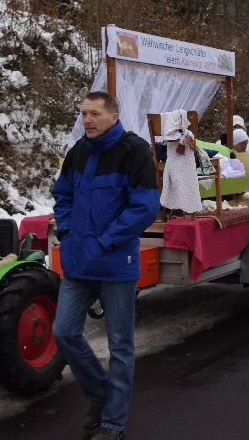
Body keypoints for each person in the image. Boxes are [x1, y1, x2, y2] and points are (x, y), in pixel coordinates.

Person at [52, 92, 160, 439]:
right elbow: (63, 195)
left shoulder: (133, 151)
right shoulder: (78, 152)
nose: (88, 120)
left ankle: (114, 421)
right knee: (64, 332)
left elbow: (145, 207)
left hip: (115, 265)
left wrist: (104, 241)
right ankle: (101, 396)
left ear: (114, 117)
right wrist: (66, 232)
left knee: (120, 346)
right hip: (78, 263)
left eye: (95, 113)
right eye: (84, 113)